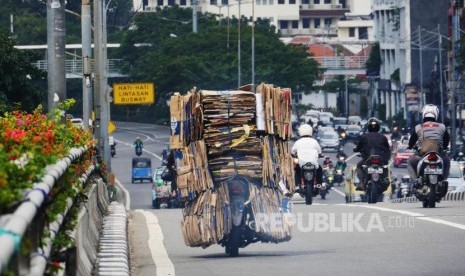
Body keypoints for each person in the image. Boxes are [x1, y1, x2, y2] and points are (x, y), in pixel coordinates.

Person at [407, 104, 450, 185]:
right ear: (436, 115)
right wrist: (444, 147)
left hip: (422, 155)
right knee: (447, 161)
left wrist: (410, 146)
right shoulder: (442, 127)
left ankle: (416, 180)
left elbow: (411, 143)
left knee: (410, 162)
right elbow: (446, 142)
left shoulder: (418, 127)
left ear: (423, 114)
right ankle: (444, 180)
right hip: (439, 154)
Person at [353, 117, 391, 190]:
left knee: (359, 165)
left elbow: (358, 148)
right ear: (378, 127)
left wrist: (356, 149)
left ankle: (361, 183)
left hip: (368, 159)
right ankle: (385, 179)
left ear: (368, 127)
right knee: (385, 167)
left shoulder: (364, 137)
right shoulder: (383, 137)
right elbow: (387, 149)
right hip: (380, 160)